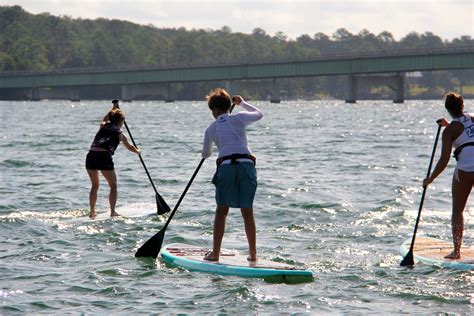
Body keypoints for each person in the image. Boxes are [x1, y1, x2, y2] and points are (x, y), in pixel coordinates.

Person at [201, 88, 263, 262]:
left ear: (213, 111)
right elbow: (258, 114)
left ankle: (215, 253)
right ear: (230, 106)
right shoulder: (238, 118)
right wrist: (242, 103)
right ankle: (253, 254)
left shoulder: (211, 129)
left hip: (226, 167)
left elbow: (206, 154)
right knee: (247, 211)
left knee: (221, 211)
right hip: (246, 165)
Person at [423, 92, 472, 259]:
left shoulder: (449, 131)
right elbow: (465, 130)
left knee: (457, 210)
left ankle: (456, 251)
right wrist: (448, 125)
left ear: (448, 109)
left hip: (465, 170)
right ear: (463, 106)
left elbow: (444, 160)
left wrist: (430, 179)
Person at [85, 99, 140, 218]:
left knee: (95, 186)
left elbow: (105, 119)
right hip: (104, 157)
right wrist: (138, 151)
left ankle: (92, 211)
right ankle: (113, 212)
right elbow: (129, 147)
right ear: (121, 121)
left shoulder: (103, 126)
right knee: (113, 186)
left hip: (91, 155)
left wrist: (113, 108)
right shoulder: (120, 134)